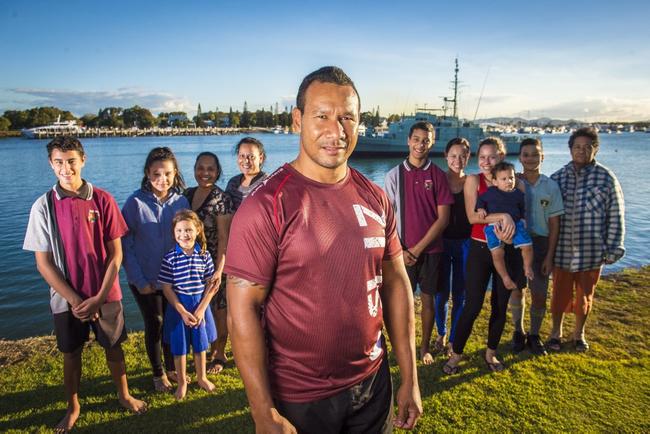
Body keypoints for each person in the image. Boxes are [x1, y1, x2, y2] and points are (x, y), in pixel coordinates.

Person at [225, 66, 422, 433]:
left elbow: (396, 285)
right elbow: (241, 312)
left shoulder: (376, 197)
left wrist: (409, 376)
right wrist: (262, 412)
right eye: (322, 116)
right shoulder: (266, 205)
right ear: (297, 119)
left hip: (373, 384)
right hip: (301, 396)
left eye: (347, 117)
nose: (337, 131)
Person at [23, 137, 147, 433]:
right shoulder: (43, 206)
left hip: (106, 293)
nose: (66, 168)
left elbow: (116, 254)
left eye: (71, 161)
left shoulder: (102, 199)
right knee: (71, 352)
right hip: (66, 299)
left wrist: (99, 296)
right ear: (51, 164)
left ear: (83, 160)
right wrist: (77, 301)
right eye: (59, 162)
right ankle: (73, 406)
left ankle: (124, 394)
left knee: (114, 347)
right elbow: (44, 263)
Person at [443, 137, 526, 374]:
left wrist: (511, 222)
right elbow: (472, 217)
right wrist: (504, 216)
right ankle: (456, 353)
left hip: (509, 250)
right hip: (479, 249)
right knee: (473, 305)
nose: (486, 162)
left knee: (500, 304)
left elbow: (522, 216)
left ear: (501, 156)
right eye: (482, 157)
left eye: (491, 156)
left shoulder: (514, 183)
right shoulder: (473, 180)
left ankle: (491, 353)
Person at [121, 146, 192, 392]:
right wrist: (138, 279)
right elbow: (125, 245)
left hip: (172, 279)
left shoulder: (181, 201)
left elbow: (186, 239)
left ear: (175, 174)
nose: (162, 180)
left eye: (168, 174)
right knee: (155, 322)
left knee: (172, 322)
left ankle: (172, 366)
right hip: (145, 278)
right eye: (156, 174)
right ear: (147, 174)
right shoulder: (134, 203)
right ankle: (157, 373)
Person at [549, 127, 625, 352]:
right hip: (562, 250)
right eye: (577, 147)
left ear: (596, 149)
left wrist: (614, 248)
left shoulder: (606, 178)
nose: (581, 151)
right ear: (570, 149)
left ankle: (579, 333)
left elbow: (616, 214)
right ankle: (556, 332)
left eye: (587, 147)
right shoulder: (558, 177)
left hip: (591, 251)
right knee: (558, 295)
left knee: (584, 296)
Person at [384, 121, 453, 365]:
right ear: (408, 141)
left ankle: (424, 347)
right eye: (416, 139)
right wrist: (401, 250)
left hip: (431, 251)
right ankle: (403, 348)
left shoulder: (438, 175)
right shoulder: (393, 176)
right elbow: (388, 219)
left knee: (428, 301)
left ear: (432, 143)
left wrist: (416, 249)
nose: (420, 144)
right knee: (401, 303)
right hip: (401, 252)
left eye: (425, 140)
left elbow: (443, 219)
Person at [509, 138, 564, 355]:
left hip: (540, 244)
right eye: (526, 154)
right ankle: (518, 331)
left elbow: (554, 224)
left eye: (535, 154)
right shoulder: (513, 182)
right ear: (520, 157)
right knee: (517, 289)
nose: (530, 158)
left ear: (542, 156)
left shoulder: (551, 186)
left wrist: (550, 256)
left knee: (539, 294)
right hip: (517, 242)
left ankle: (534, 333)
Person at [159, 210, 218, 400]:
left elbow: (211, 285)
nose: (184, 235)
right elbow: (167, 288)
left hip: (200, 305)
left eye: (188, 230)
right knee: (180, 347)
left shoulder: (204, 255)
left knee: (201, 345)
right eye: (179, 231)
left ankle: (202, 377)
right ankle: (183, 381)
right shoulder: (170, 258)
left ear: (198, 230)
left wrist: (201, 309)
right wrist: (182, 310)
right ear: (174, 233)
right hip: (179, 309)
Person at [184, 152, 234, 374]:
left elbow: (224, 239)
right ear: (194, 168)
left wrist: (219, 271)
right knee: (198, 307)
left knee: (218, 308)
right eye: (200, 168)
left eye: (210, 169)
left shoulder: (221, 199)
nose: (205, 173)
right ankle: (203, 349)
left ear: (217, 172)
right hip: (192, 265)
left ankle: (220, 352)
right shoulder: (187, 194)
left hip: (215, 264)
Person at [437, 137, 472, 356]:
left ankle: (453, 339)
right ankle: (441, 333)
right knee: (441, 293)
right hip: (441, 242)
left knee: (461, 293)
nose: (457, 160)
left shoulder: (472, 182)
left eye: (463, 155)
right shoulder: (438, 180)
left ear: (468, 157)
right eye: (453, 155)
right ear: (446, 156)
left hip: (466, 243)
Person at [476, 161, 534, 290]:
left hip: (516, 224)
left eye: (511, 178)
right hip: (493, 226)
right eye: (504, 179)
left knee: (528, 247)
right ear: (495, 182)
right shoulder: (491, 192)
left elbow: (522, 207)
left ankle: (527, 266)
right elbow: (480, 200)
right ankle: (505, 277)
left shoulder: (518, 194)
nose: (509, 181)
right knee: (497, 254)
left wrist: (523, 218)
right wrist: (480, 209)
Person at [225, 137, 268, 210]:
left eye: (251, 157)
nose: (246, 160)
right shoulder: (233, 183)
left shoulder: (268, 183)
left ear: (261, 158)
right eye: (242, 156)